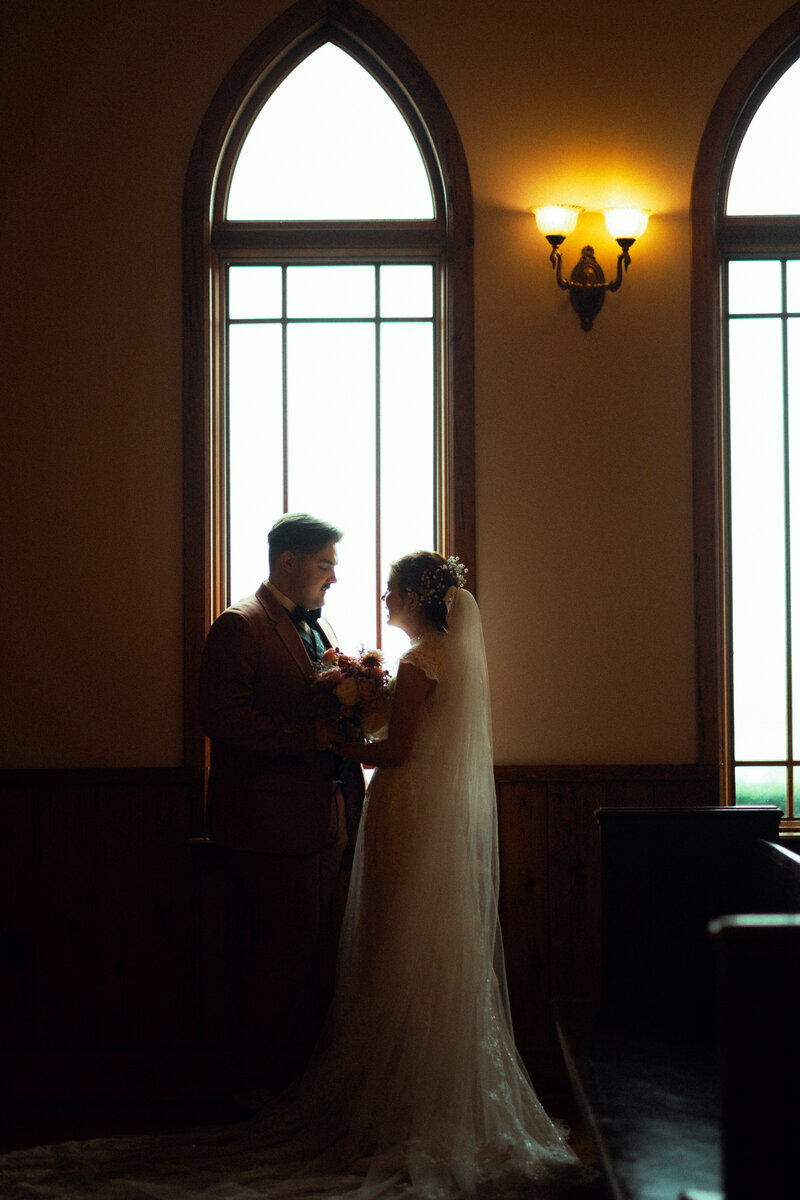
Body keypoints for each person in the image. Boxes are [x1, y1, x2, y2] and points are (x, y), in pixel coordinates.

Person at [0, 552, 596, 1198]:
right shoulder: (453, 659)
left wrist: (339, 742)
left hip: (409, 805)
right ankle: (433, 1095)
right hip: (426, 812)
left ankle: (403, 1103)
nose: (380, 595)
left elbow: (397, 750)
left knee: (399, 945)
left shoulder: (419, 661)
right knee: (427, 946)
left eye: (391, 588)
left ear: (417, 599)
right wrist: (353, 716)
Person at [198, 512, 365, 1099]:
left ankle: (293, 1080)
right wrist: (314, 738)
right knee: (282, 954)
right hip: (269, 823)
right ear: (287, 562)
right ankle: (254, 1087)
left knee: (306, 953)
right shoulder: (241, 624)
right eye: (325, 566)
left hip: (324, 816)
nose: (333, 579)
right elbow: (222, 718)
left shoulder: (317, 628)